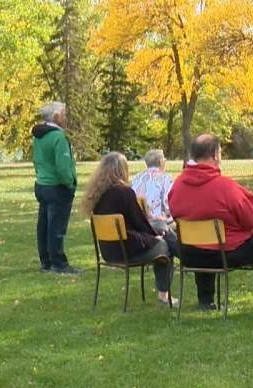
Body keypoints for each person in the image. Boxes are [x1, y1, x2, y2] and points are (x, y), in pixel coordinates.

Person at [169, 134, 253, 313]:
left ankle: (206, 301)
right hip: (226, 254)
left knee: (202, 240)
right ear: (215, 154)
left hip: (190, 253)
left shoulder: (177, 185)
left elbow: (175, 214)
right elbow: (251, 219)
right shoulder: (225, 186)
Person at [81, 152, 179, 306]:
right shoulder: (124, 192)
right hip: (128, 250)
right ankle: (165, 295)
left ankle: (186, 254)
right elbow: (140, 223)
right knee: (165, 245)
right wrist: (155, 238)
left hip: (109, 251)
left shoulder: (98, 196)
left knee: (161, 226)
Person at [32, 101, 80, 274]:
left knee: (44, 225)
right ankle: (59, 263)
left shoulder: (39, 136)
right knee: (57, 226)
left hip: (42, 184)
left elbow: (37, 160)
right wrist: (69, 182)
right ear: (56, 116)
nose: (65, 118)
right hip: (57, 187)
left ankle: (46, 261)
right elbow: (62, 166)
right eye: (64, 114)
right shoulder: (58, 137)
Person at [131, 149, 174, 234]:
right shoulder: (165, 178)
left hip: (138, 221)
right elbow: (168, 206)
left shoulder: (136, 178)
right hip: (157, 222)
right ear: (160, 162)